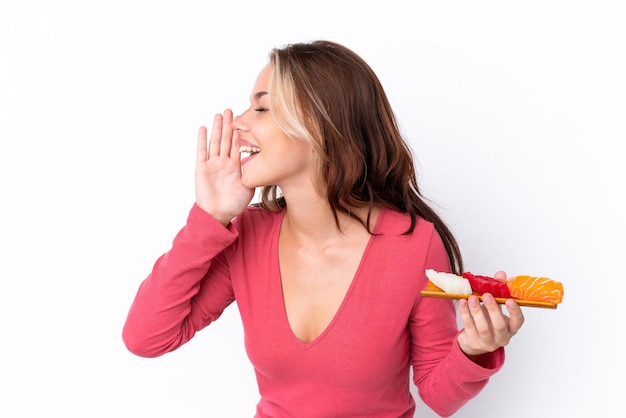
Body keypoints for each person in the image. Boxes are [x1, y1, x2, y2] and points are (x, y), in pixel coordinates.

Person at [122, 40, 525, 417]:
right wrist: (210, 217)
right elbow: (146, 337)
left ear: (321, 127)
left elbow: (439, 395)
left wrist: (474, 350)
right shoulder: (247, 236)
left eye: (261, 109)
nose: (239, 122)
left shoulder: (413, 245)